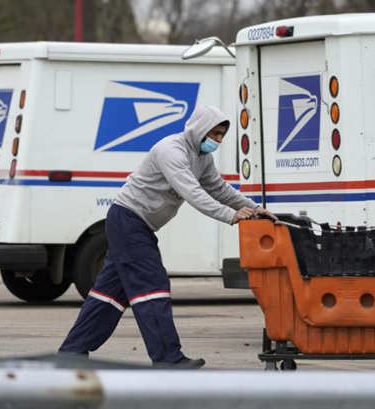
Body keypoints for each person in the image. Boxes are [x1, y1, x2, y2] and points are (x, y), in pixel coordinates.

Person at [59, 106, 276, 368]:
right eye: (215, 134)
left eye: (222, 135)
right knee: (152, 285)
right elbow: (192, 192)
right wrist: (231, 215)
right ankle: (167, 359)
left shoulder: (202, 158)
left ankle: (71, 352)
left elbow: (219, 188)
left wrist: (253, 208)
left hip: (135, 225)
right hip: (128, 220)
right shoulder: (171, 151)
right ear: (200, 129)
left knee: (109, 295)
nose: (219, 140)